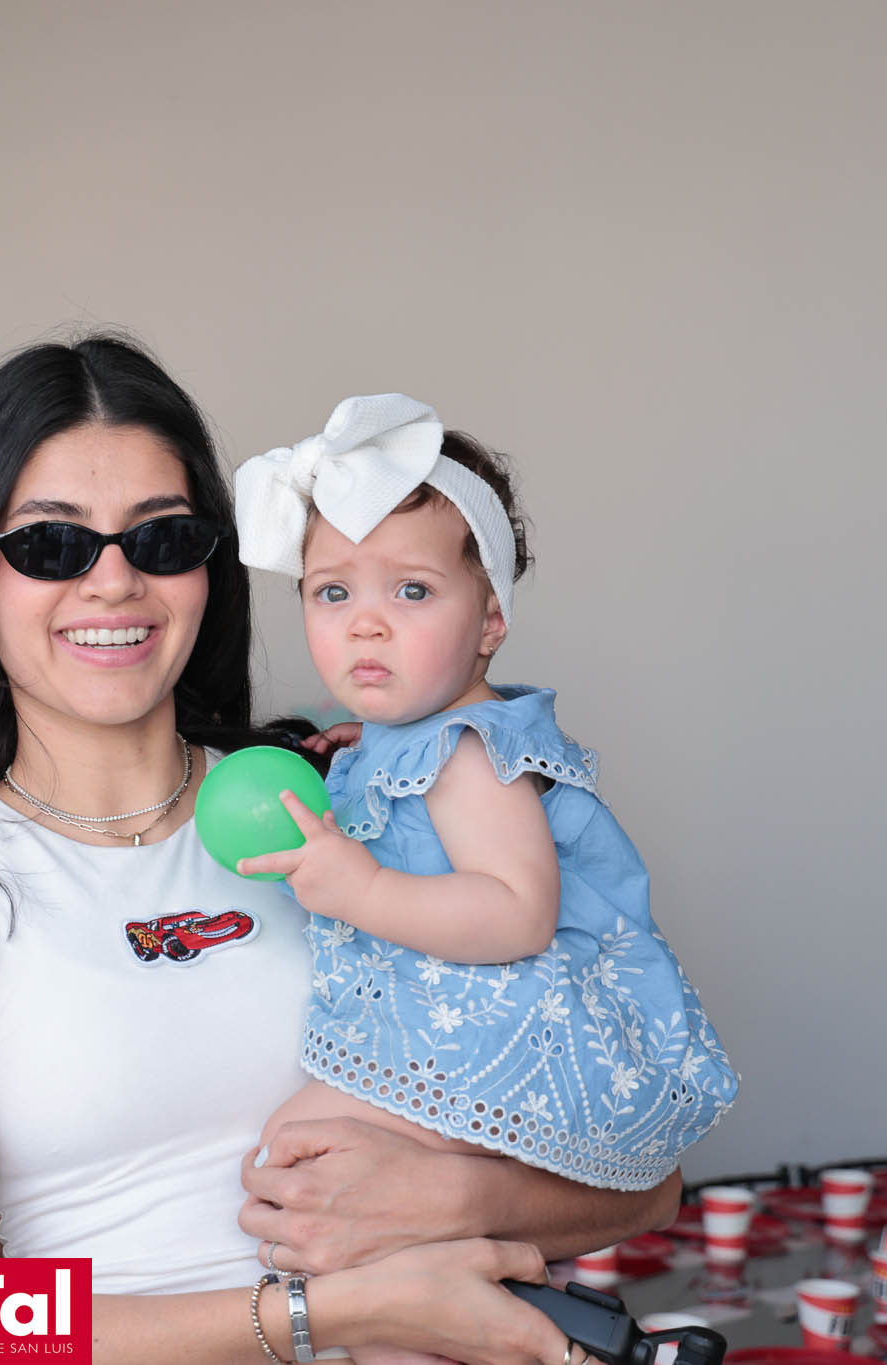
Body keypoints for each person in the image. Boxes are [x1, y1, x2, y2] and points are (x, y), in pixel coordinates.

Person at [0, 337, 679, 1365]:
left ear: (209, 571)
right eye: (51, 545)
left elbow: (648, 1181)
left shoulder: (346, 811)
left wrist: (456, 1198)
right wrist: (330, 1313)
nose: (113, 581)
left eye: (162, 538)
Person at [226, 394, 737, 1191]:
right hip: (470, 1034)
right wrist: (372, 749)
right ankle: (462, 1261)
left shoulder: (467, 753)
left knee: (293, 1145)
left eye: (412, 591)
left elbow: (517, 911)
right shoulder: (431, 737)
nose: (366, 623)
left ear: (491, 620)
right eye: (333, 592)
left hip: (505, 1047)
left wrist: (364, 889)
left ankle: (463, 1261)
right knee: (303, 1154)